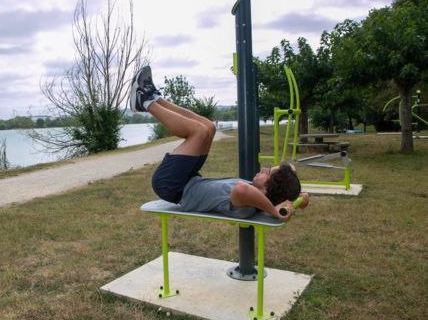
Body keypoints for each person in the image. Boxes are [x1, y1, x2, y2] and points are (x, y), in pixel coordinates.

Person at [129, 66, 309, 221]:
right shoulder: (257, 193)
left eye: (268, 173)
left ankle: (146, 102)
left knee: (198, 132)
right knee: (208, 127)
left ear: (267, 189)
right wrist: (295, 198)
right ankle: (155, 98)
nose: (263, 169)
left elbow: (240, 190)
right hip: (188, 179)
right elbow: (290, 169)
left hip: (171, 185)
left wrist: (274, 211)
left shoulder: (246, 205)